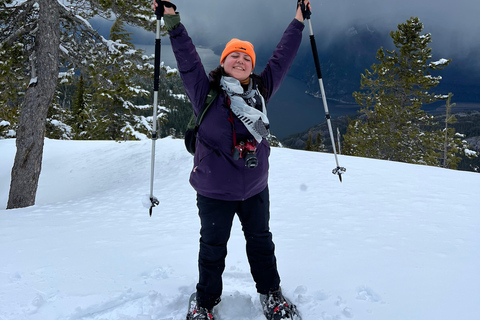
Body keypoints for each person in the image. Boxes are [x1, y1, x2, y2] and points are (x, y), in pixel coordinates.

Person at [154, 1, 311, 319]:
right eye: (233, 56)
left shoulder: (260, 92)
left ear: (251, 66)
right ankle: (205, 302)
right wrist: (172, 20)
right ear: (224, 62)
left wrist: (298, 21)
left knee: (261, 244)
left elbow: (283, 57)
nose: (240, 60)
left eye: (246, 57)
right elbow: (187, 59)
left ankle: (271, 296)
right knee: (212, 249)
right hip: (214, 191)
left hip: (254, 188)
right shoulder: (204, 92)